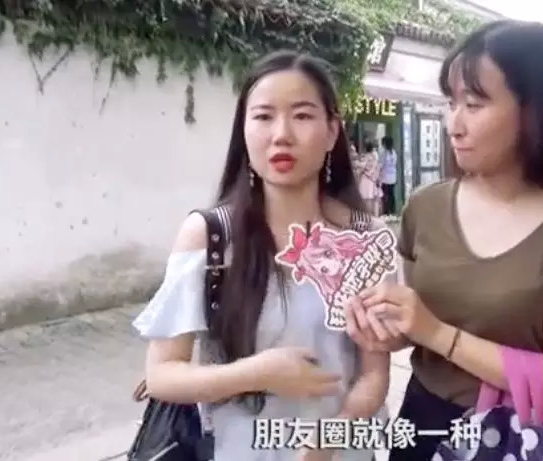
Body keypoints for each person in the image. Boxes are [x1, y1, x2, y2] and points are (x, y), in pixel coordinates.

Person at [343, 20, 543, 460]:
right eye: (451, 103)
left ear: (534, 111)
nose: (453, 124)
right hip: (422, 424)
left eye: (474, 104)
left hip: (519, 439)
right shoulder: (426, 207)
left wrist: (435, 332)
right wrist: (381, 328)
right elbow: (412, 328)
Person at [132, 51, 390, 461]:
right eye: (264, 116)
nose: (281, 134)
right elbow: (162, 375)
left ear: (331, 132)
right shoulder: (209, 236)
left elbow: (374, 376)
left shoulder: (364, 239)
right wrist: (259, 373)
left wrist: (331, 439)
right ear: (244, 130)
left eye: (302, 116)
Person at [355, 141, 382, 215]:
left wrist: (356, 164)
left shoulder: (367, 157)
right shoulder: (375, 156)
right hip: (372, 179)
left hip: (365, 179)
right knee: (370, 198)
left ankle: (367, 215)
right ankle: (372, 215)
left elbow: (363, 166)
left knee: (365, 198)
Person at [379, 136, 398, 215]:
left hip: (385, 177)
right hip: (393, 177)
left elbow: (381, 165)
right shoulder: (394, 153)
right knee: (391, 194)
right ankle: (393, 211)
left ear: (385, 144)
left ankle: (386, 211)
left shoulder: (384, 154)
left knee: (385, 195)